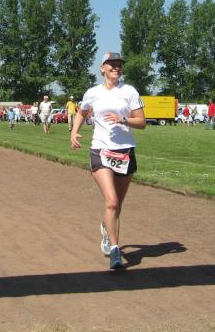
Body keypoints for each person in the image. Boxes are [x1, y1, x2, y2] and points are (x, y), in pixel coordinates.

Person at [70, 52, 145, 270]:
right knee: (111, 201)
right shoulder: (92, 93)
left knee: (117, 205)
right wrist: (74, 132)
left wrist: (123, 119)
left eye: (119, 64)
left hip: (125, 152)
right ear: (102, 68)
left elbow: (142, 122)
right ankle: (114, 250)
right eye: (111, 64)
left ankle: (106, 225)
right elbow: (82, 113)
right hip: (100, 150)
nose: (116, 67)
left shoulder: (129, 91)